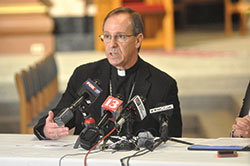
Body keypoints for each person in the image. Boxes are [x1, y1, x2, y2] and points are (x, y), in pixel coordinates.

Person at [34, 7, 182, 140]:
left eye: (121, 36)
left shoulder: (162, 85)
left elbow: (172, 140)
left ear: (138, 40)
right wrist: (47, 129)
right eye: (107, 36)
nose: (112, 44)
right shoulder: (85, 75)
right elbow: (59, 115)